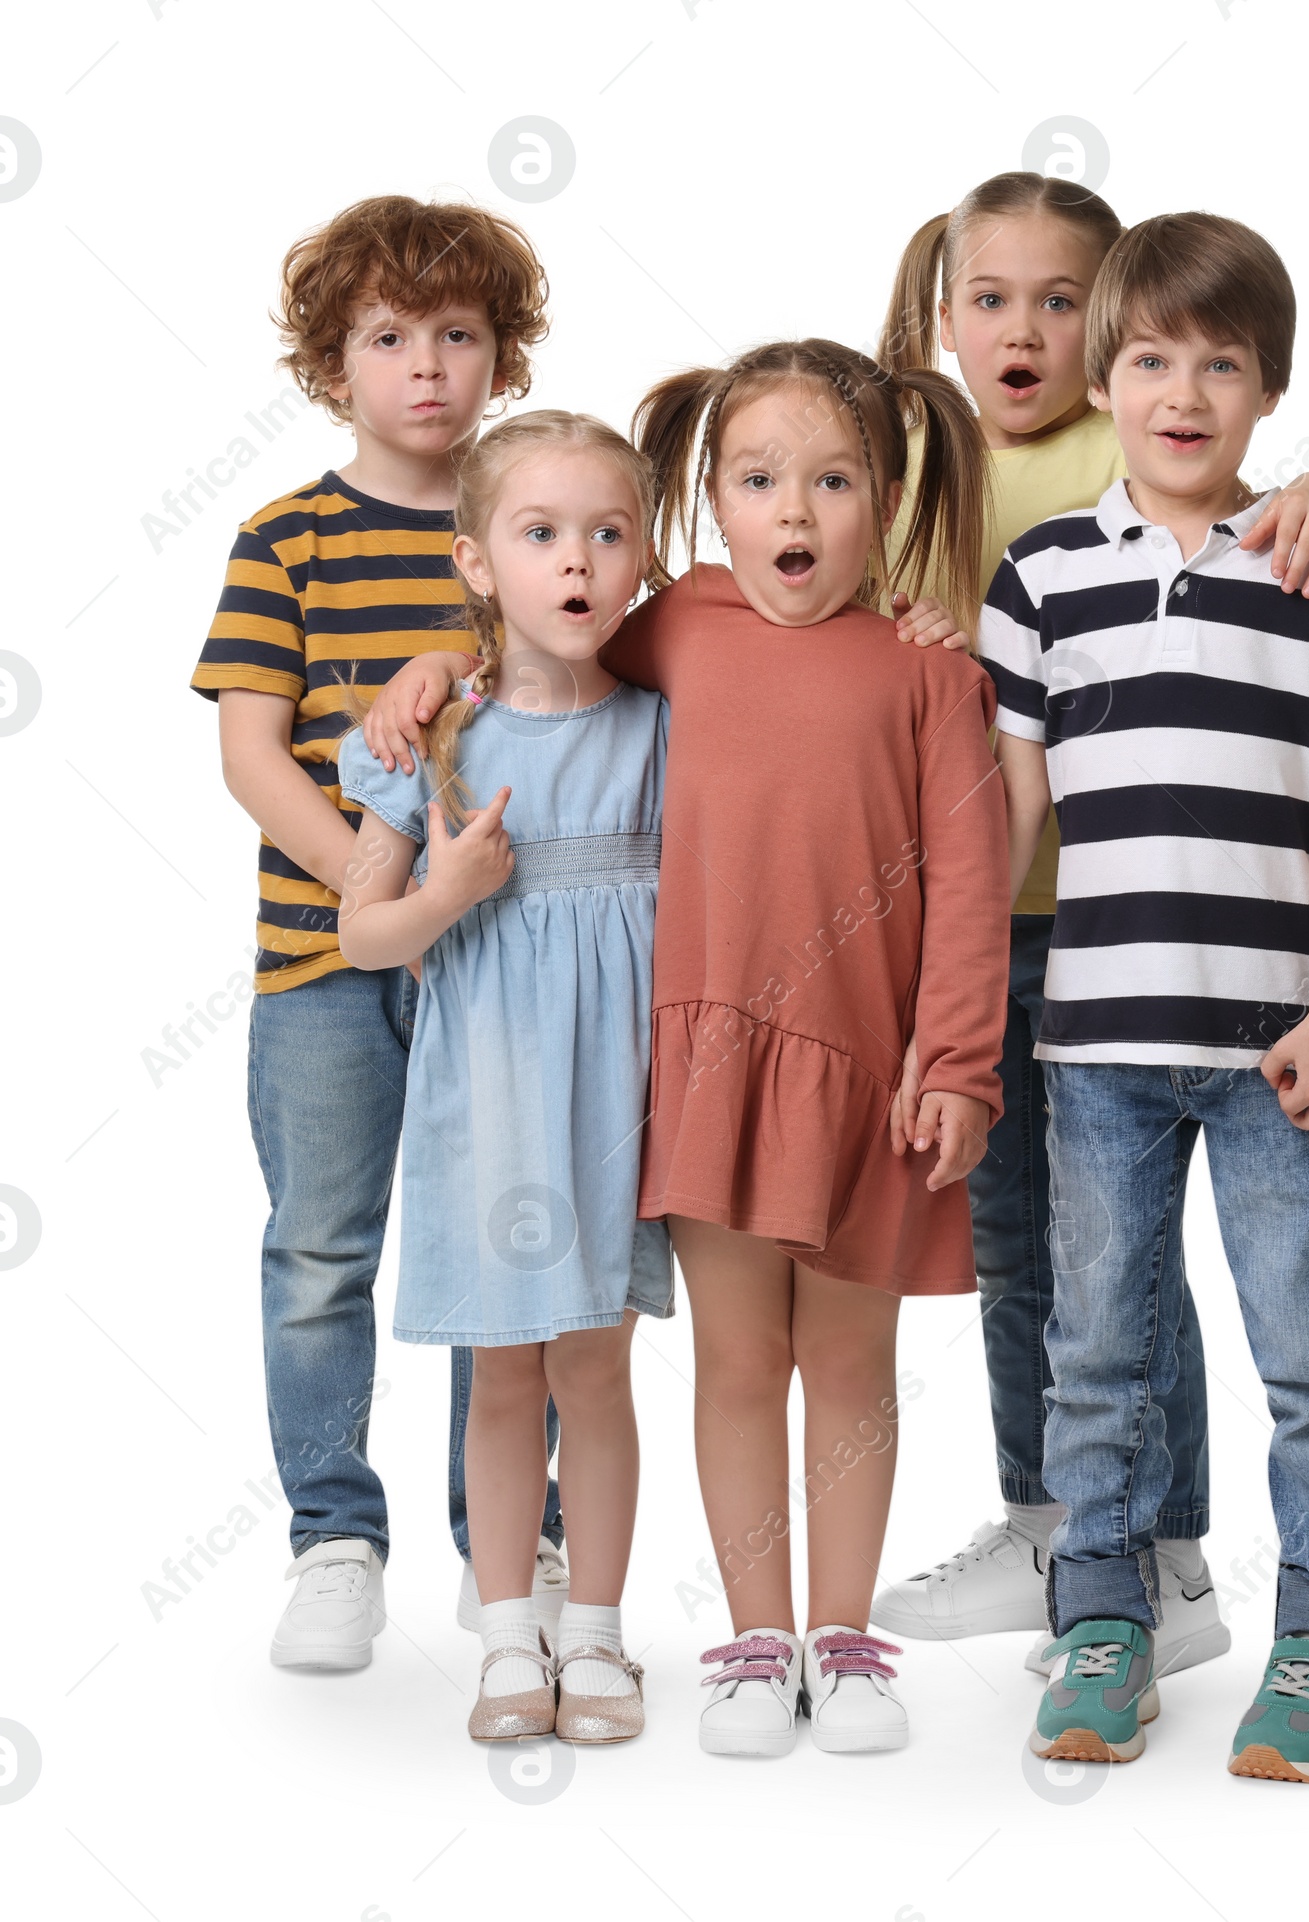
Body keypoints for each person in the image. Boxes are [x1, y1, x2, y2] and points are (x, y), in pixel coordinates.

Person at [363, 338, 1010, 1757]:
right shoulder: (681, 626)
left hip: (873, 1073)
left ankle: (843, 1638)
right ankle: (751, 1638)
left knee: (848, 1362)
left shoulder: (927, 671)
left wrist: (958, 1057)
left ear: (887, 493)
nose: (796, 513)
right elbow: (546, 643)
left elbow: (974, 876)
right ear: (709, 499)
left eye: (834, 482)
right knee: (732, 1362)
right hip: (707, 1074)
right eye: (761, 479)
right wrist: (432, 667)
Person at [869, 171, 1309, 1684]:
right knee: (1051, 1263)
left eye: (1060, 300)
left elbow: (1226, 476)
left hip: (1143, 936)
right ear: (941, 314)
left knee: (1153, 1284)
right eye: (988, 297)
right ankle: (1061, 1532)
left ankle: (1163, 1549)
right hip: (1019, 934)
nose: (1024, 329)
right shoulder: (917, 458)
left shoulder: (1146, 447)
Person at [983, 212, 1309, 1780]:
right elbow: (1011, 815)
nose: (1183, 390)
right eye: (1152, 357)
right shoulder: (1042, 576)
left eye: (1220, 363)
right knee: (1095, 1344)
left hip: (1275, 1045)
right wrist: (956, 996)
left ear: (1268, 388)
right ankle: (1103, 1619)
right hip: (1091, 1041)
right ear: (1106, 376)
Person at [189, 196, 568, 1669]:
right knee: (320, 1251)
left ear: (503, 355)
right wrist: (381, 898)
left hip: (508, 971)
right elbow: (252, 753)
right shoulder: (285, 538)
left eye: (460, 335)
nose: (428, 367)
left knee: (505, 1251)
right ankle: (335, 1536)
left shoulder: (529, 525)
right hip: (323, 970)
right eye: (389, 337)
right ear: (330, 362)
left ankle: (507, 1534)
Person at [337, 412, 670, 1742]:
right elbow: (363, 929)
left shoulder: (660, 727)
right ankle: (501, 1639)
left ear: (644, 559)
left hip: (613, 1096)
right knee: (501, 1374)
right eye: (540, 535)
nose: (576, 561)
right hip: (486, 1094)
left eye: (608, 532)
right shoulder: (434, 741)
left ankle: (595, 1635)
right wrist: (449, 887)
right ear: (479, 562)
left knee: (594, 1368)